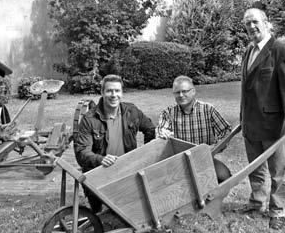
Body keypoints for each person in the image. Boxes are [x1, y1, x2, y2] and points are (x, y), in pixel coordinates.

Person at [240, 8, 285, 230]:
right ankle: (257, 202)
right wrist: (242, 118)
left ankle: (277, 211)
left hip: (273, 125)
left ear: (266, 23)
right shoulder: (249, 51)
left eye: (255, 22)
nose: (251, 27)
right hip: (251, 123)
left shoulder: (281, 51)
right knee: (255, 168)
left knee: (277, 172)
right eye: (247, 24)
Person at [74, 74, 156, 213]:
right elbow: (81, 151)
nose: (114, 95)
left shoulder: (131, 111)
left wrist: (145, 155)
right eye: (109, 91)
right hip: (100, 173)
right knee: (99, 212)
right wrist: (100, 160)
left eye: (117, 91)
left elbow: (150, 130)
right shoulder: (89, 119)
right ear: (102, 92)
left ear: (122, 93)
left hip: (126, 169)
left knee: (129, 209)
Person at [156, 75, 231, 146]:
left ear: (193, 91)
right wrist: (163, 133)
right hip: (180, 158)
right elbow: (160, 130)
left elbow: (225, 130)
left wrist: (215, 146)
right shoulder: (168, 113)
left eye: (184, 91)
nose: (181, 95)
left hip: (205, 156)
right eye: (177, 92)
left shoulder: (208, 109)